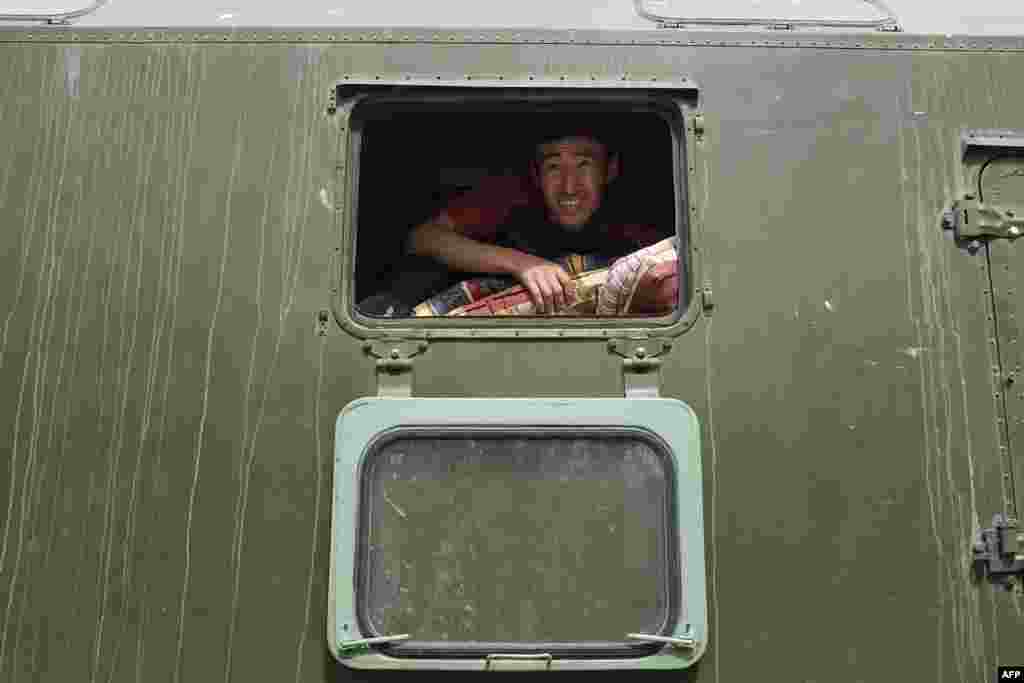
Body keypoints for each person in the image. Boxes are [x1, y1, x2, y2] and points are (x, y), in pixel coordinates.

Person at [360, 120, 665, 315]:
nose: (569, 186)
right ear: (535, 173)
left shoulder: (638, 223)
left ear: (610, 170)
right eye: (554, 167)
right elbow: (424, 239)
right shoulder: (513, 196)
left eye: (584, 164)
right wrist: (522, 264)